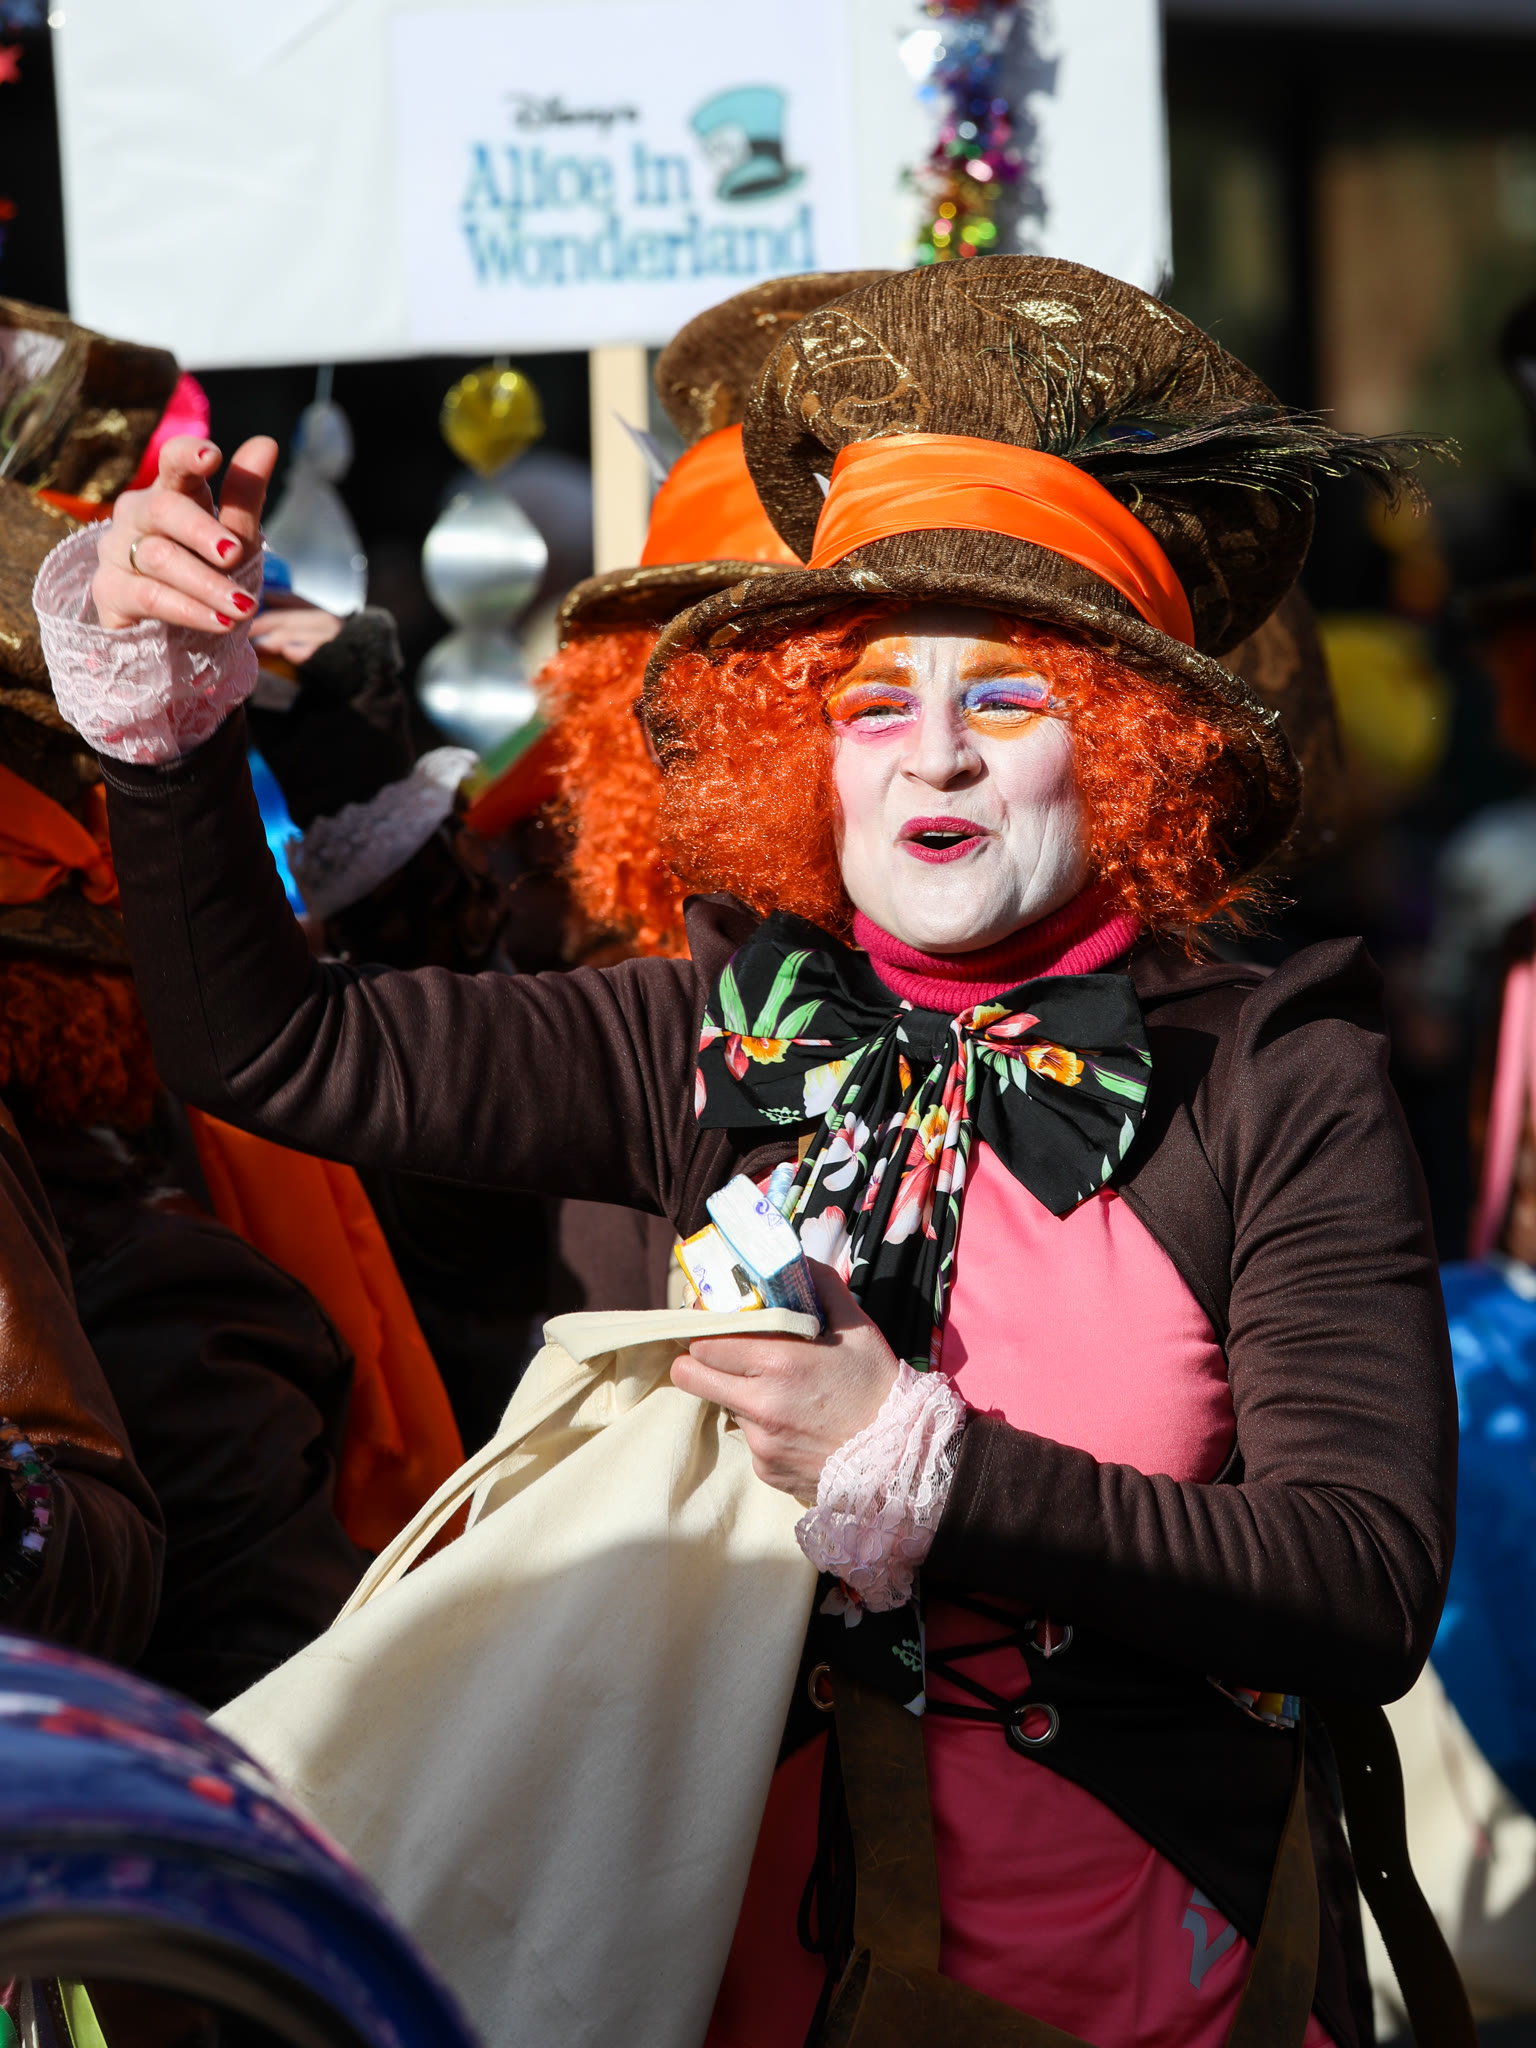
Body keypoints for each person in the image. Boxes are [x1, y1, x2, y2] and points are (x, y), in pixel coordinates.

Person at [35, 258, 1455, 2048]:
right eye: (873, 702)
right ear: (806, 753)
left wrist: (930, 1469)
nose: (935, 754)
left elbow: (1360, 1579)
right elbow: (276, 1047)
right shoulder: (712, 1029)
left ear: (1128, 750)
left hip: (1159, 1999)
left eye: (1009, 699)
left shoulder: (1269, 1074)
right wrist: (169, 737)